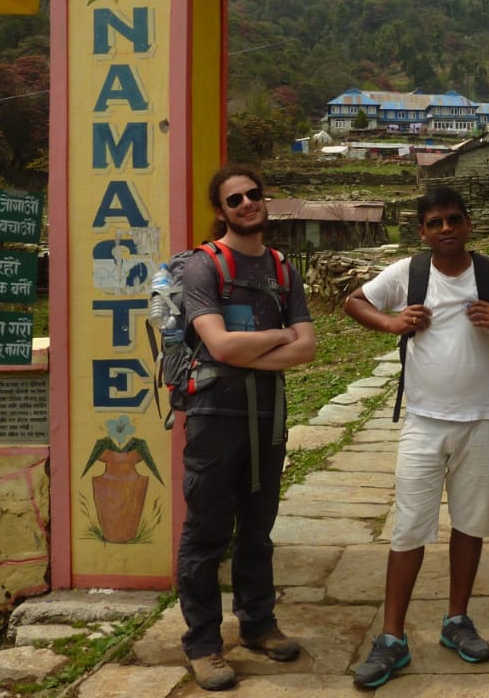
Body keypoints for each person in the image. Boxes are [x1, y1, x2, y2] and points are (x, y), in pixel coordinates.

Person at [344, 186, 489, 689]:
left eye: (454, 220)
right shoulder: (409, 273)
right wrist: (392, 321)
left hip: (480, 420)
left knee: (470, 523)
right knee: (409, 528)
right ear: (422, 230)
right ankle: (392, 637)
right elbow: (355, 302)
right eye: (435, 222)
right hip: (422, 420)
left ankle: (456, 620)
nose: (446, 229)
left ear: (468, 224)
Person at [176, 164, 316, 691]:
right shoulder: (203, 267)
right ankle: (204, 645)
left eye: (254, 195)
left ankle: (258, 625)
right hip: (214, 418)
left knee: (258, 530)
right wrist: (279, 336)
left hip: (267, 418)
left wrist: (249, 349)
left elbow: (309, 349)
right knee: (207, 532)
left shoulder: (283, 271)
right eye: (235, 200)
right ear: (221, 211)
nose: (247, 204)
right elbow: (219, 346)